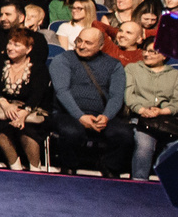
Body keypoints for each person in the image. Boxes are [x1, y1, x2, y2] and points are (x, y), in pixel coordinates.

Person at [49, 24, 135, 175]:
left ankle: (108, 165)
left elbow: (116, 95)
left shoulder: (114, 65)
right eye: (79, 41)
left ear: (101, 46)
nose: (81, 46)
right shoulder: (62, 59)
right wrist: (80, 116)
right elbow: (62, 91)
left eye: (88, 43)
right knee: (71, 132)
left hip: (101, 115)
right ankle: (69, 166)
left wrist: (106, 117)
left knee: (125, 135)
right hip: (68, 114)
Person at [0, 27, 57, 171]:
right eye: (10, 43)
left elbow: (38, 94)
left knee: (27, 129)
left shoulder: (38, 68)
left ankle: (36, 168)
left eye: (16, 45)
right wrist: (5, 105)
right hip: (3, 107)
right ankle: (15, 167)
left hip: (32, 109)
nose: (11, 48)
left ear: (28, 49)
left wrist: (23, 113)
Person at [124, 43, 178, 180]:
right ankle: (139, 181)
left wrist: (162, 112)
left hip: (167, 119)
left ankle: (166, 179)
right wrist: (142, 110)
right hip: (141, 118)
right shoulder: (132, 69)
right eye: (145, 51)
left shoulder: (177, 76)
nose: (147, 54)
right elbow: (128, 95)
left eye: (152, 52)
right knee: (144, 146)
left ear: (164, 55)